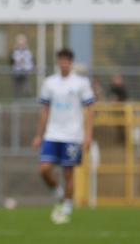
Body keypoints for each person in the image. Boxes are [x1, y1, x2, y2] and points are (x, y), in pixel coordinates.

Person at [32, 48, 95, 225]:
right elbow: (44, 110)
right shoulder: (50, 83)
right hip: (52, 134)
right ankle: (59, 193)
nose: (64, 63)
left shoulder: (81, 83)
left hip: (73, 135)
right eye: (61, 60)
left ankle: (67, 206)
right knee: (44, 169)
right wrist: (39, 135)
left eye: (67, 60)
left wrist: (88, 135)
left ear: (71, 62)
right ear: (58, 62)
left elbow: (90, 109)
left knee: (68, 173)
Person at [11, 34, 34, 99]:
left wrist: (27, 67)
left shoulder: (28, 52)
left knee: (26, 88)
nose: (21, 46)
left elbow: (29, 62)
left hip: (25, 72)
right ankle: (18, 101)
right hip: (17, 73)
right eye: (20, 44)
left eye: (22, 44)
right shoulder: (15, 52)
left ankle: (26, 101)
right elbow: (15, 61)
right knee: (17, 89)